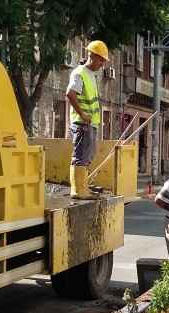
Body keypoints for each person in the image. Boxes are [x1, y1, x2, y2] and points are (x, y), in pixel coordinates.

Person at [66, 40, 108, 199]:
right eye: (101, 59)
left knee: (87, 156)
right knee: (81, 155)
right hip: (82, 123)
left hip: (90, 124)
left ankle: (83, 187)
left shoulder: (91, 75)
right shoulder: (80, 73)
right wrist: (82, 114)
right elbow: (70, 94)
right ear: (93, 56)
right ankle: (78, 190)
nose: (103, 63)